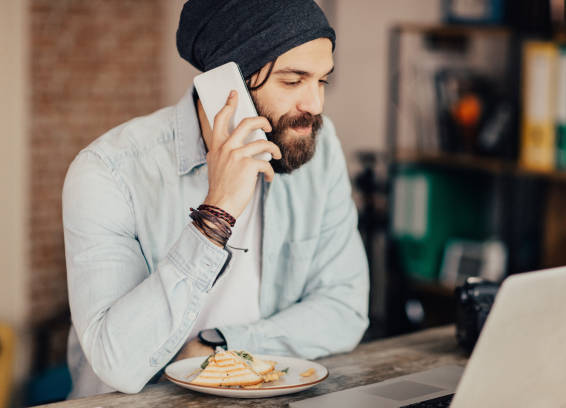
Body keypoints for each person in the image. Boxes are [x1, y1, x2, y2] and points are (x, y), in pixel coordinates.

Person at [62, 0, 369, 397]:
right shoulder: (109, 172)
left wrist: (220, 345)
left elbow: (346, 308)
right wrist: (216, 213)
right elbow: (117, 362)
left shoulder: (318, 152)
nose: (315, 104)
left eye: (321, 80)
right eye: (293, 81)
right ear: (227, 85)